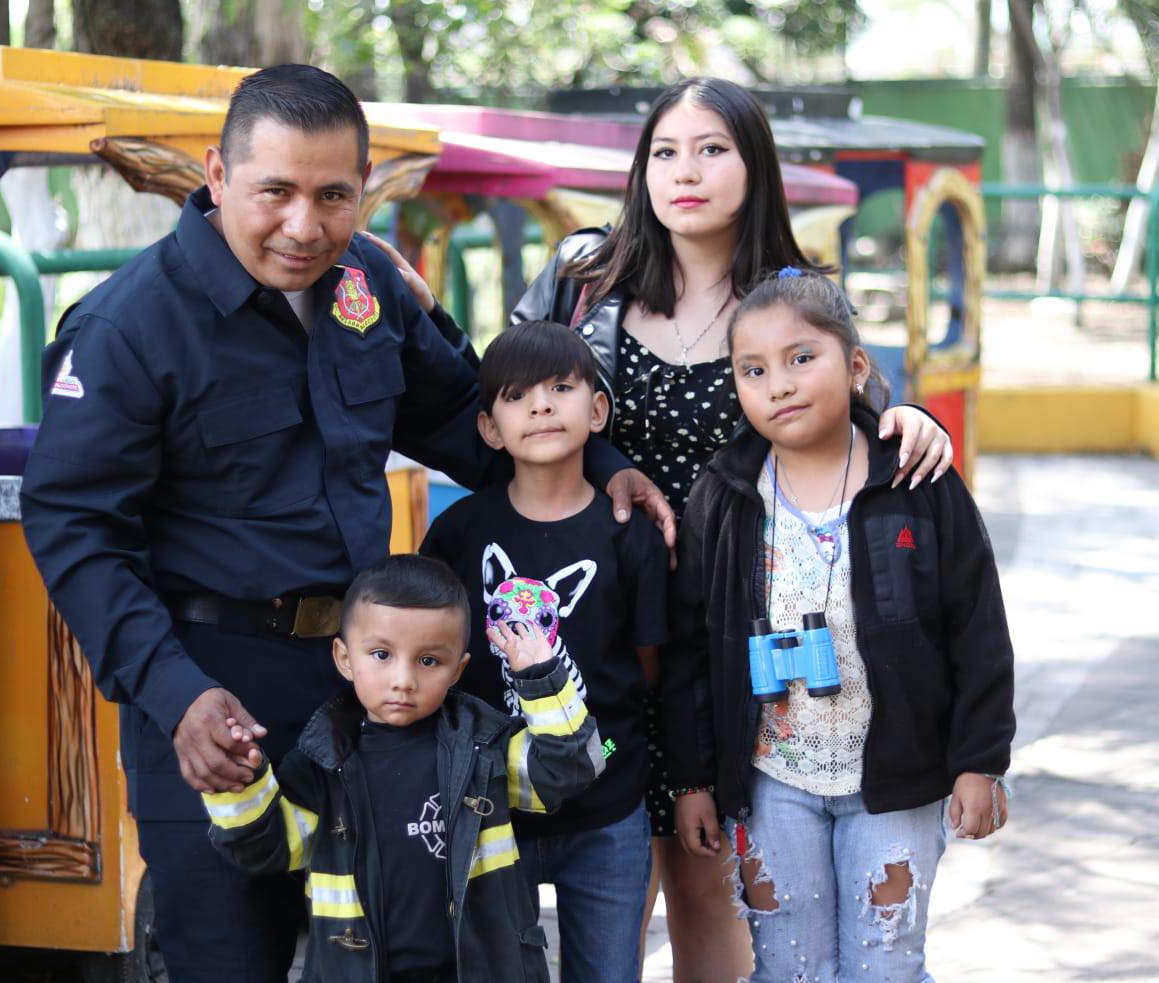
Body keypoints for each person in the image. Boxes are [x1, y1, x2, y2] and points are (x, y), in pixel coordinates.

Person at [18, 64, 664, 982]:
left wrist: (605, 470)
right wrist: (174, 697)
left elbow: (472, 424)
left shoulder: (367, 286)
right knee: (226, 962)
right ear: (216, 173)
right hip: (214, 695)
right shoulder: (131, 326)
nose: (304, 225)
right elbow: (76, 527)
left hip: (369, 698)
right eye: (274, 191)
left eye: (333, 195)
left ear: (362, 187)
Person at [504, 77, 956, 978]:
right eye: (665, 151)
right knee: (604, 877)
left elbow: (848, 416)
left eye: (712, 149)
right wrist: (605, 470)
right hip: (597, 619)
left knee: (707, 874)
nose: (686, 171)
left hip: (727, 629)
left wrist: (908, 420)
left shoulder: (792, 292)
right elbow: (515, 399)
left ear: (754, 166)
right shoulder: (582, 276)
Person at [663, 268, 1015, 982]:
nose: (779, 383)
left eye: (801, 357)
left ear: (855, 365)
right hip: (770, 780)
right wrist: (692, 777)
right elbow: (688, 648)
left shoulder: (914, 478)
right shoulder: (724, 494)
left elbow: (976, 622)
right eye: (752, 369)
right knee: (788, 965)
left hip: (896, 777)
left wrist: (980, 759)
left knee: (883, 964)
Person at [202, 553, 604, 983]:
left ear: (458, 670)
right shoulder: (321, 759)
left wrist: (542, 679)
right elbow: (266, 849)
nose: (403, 679)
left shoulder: (484, 745)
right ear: (344, 657)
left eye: (428, 661)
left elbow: (573, 766)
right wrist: (239, 782)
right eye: (381, 654)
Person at [420, 321, 669, 983]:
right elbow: (433, 659)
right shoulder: (458, 533)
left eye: (560, 387)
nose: (539, 404)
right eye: (516, 394)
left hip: (608, 801)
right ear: (489, 427)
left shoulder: (627, 537)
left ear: (595, 411)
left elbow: (647, 666)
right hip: (488, 804)